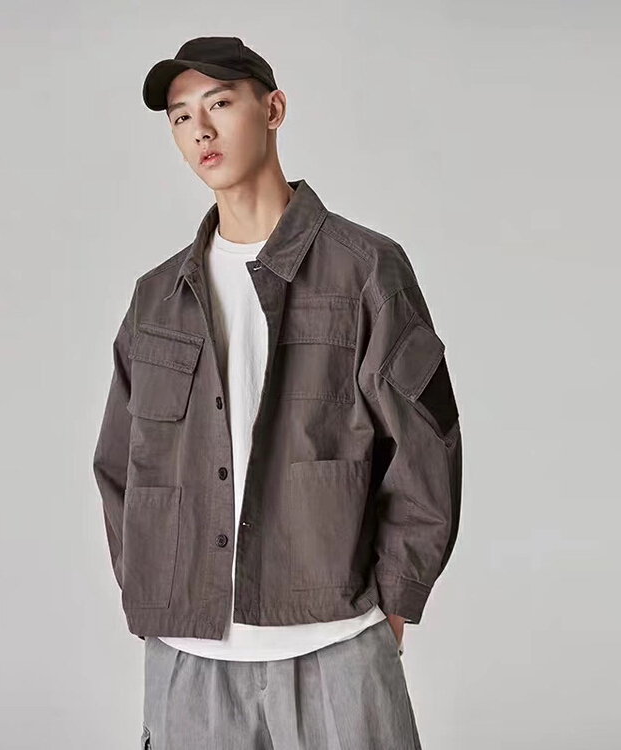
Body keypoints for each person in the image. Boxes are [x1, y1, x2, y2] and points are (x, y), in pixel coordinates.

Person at [93, 35, 462, 749]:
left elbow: (426, 442)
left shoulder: (366, 268)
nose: (200, 129)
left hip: (335, 642)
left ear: (273, 109)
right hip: (188, 658)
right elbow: (120, 465)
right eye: (180, 116)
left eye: (220, 103)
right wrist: (156, 591)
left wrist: (395, 602)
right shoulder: (156, 298)